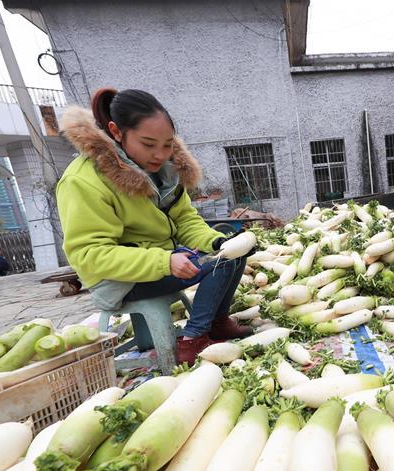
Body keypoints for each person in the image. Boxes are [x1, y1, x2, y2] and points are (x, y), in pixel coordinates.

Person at [56, 88, 251, 366]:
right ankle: (193, 339)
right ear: (116, 131)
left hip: (162, 261)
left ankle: (217, 322)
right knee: (219, 264)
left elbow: (185, 220)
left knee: (231, 252)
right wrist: (164, 261)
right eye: (148, 144)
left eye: (168, 144)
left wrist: (216, 241)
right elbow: (89, 254)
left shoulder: (165, 172)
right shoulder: (82, 181)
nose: (160, 154)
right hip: (120, 280)